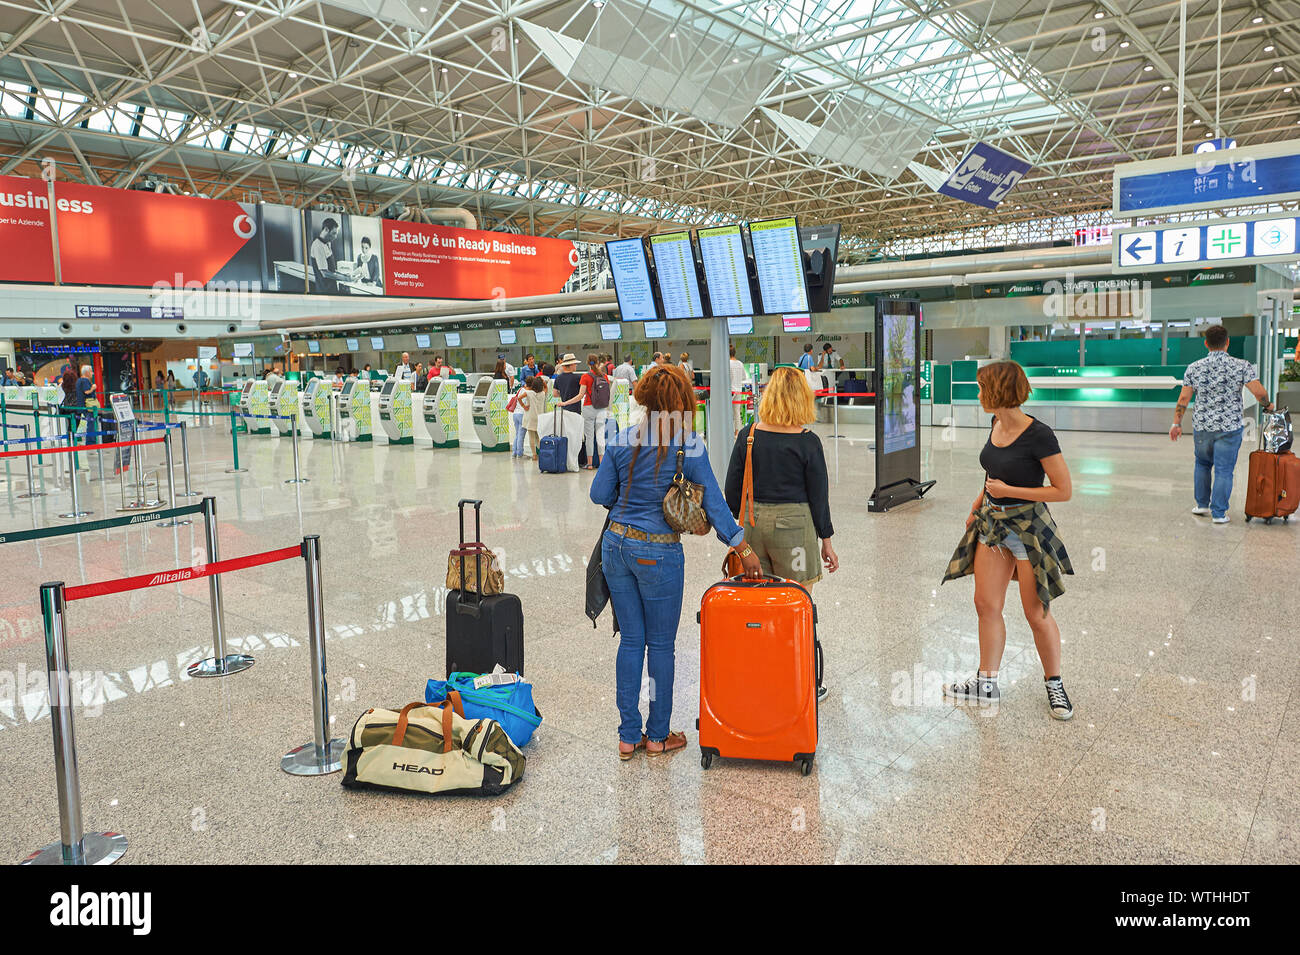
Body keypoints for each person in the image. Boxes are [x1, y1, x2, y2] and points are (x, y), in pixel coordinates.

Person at [591, 364, 761, 760]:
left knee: (631, 640)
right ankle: (657, 736)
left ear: (644, 398)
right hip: (659, 552)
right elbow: (716, 507)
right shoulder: (689, 446)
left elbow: (598, 493)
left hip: (616, 547)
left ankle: (627, 736)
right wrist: (742, 547)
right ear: (681, 401)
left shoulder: (621, 439)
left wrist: (626, 503)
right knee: (662, 645)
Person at [941, 360, 1076, 721]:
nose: (979, 393)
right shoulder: (995, 422)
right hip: (992, 526)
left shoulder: (1039, 435)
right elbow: (991, 473)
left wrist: (1009, 490)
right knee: (985, 603)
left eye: (983, 387)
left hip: (1028, 530)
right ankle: (986, 682)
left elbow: (1063, 491)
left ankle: (1055, 683)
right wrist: (976, 505)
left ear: (998, 391)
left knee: (1037, 612)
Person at [724, 367, 838, 703]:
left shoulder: (749, 435)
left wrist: (738, 536)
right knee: (796, 605)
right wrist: (827, 541)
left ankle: (757, 675)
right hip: (795, 528)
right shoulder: (807, 441)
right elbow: (819, 498)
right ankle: (801, 682)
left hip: (752, 527)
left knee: (753, 605)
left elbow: (732, 493)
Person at [1170, 324, 1274, 523]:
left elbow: (1183, 399)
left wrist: (1176, 424)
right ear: (1227, 342)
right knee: (1224, 470)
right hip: (1229, 427)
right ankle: (1218, 513)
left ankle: (1202, 505)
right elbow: (1259, 392)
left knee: (1201, 464)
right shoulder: (1242, 365)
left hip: (1202, 427)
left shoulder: (1194, 367)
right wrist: (1268, 405)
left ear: (1206, 344)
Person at [550, 353, 586, 471]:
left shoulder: (558, 378)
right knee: (578, 436)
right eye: (575, 364)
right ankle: (579, 460)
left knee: (566, 435)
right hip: (575, 409)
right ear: (570, 365)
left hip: (564, 410)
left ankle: (565, 459)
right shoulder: (578, 378)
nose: (576, 366)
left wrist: (564, 395)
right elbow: (582, 393)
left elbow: (555, 394)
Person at [579, 353, 613, 470]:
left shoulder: (585, 377)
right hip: (601, 409)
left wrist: (565, 402)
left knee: (589, 437)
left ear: (588, 363)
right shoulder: (604, 376)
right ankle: (602, 462)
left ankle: (589, 464)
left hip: (588, 407)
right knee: (600, 436)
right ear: (598, 363)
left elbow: (580, 395)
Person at [310, 217, 340, 292]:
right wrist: (345, 279)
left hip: (332, 288)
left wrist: (343, 274)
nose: (335, 237)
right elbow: (325, 273)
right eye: (334, 233)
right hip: (324, 290)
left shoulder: (327, 243)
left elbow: (331, 268)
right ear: (326, 229)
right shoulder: (317, 245)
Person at [520, 376, 546, 459]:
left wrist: (524, 406)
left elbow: (519, 398)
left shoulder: (529, 393)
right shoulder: (543, 394)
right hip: (539, 418)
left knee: (531, 437)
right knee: (538, 437)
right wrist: (543, 382)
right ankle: (542, 452)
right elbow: (545, 387)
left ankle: (534, 455)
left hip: (530, 417)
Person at [728, 344, 751, 436]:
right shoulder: (740, 363)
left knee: (728, 412)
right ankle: (737, 431)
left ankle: (728, 431)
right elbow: (743, 377)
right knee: (737, 412)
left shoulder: (727, 363)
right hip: (738, 390)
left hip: (730, 390)